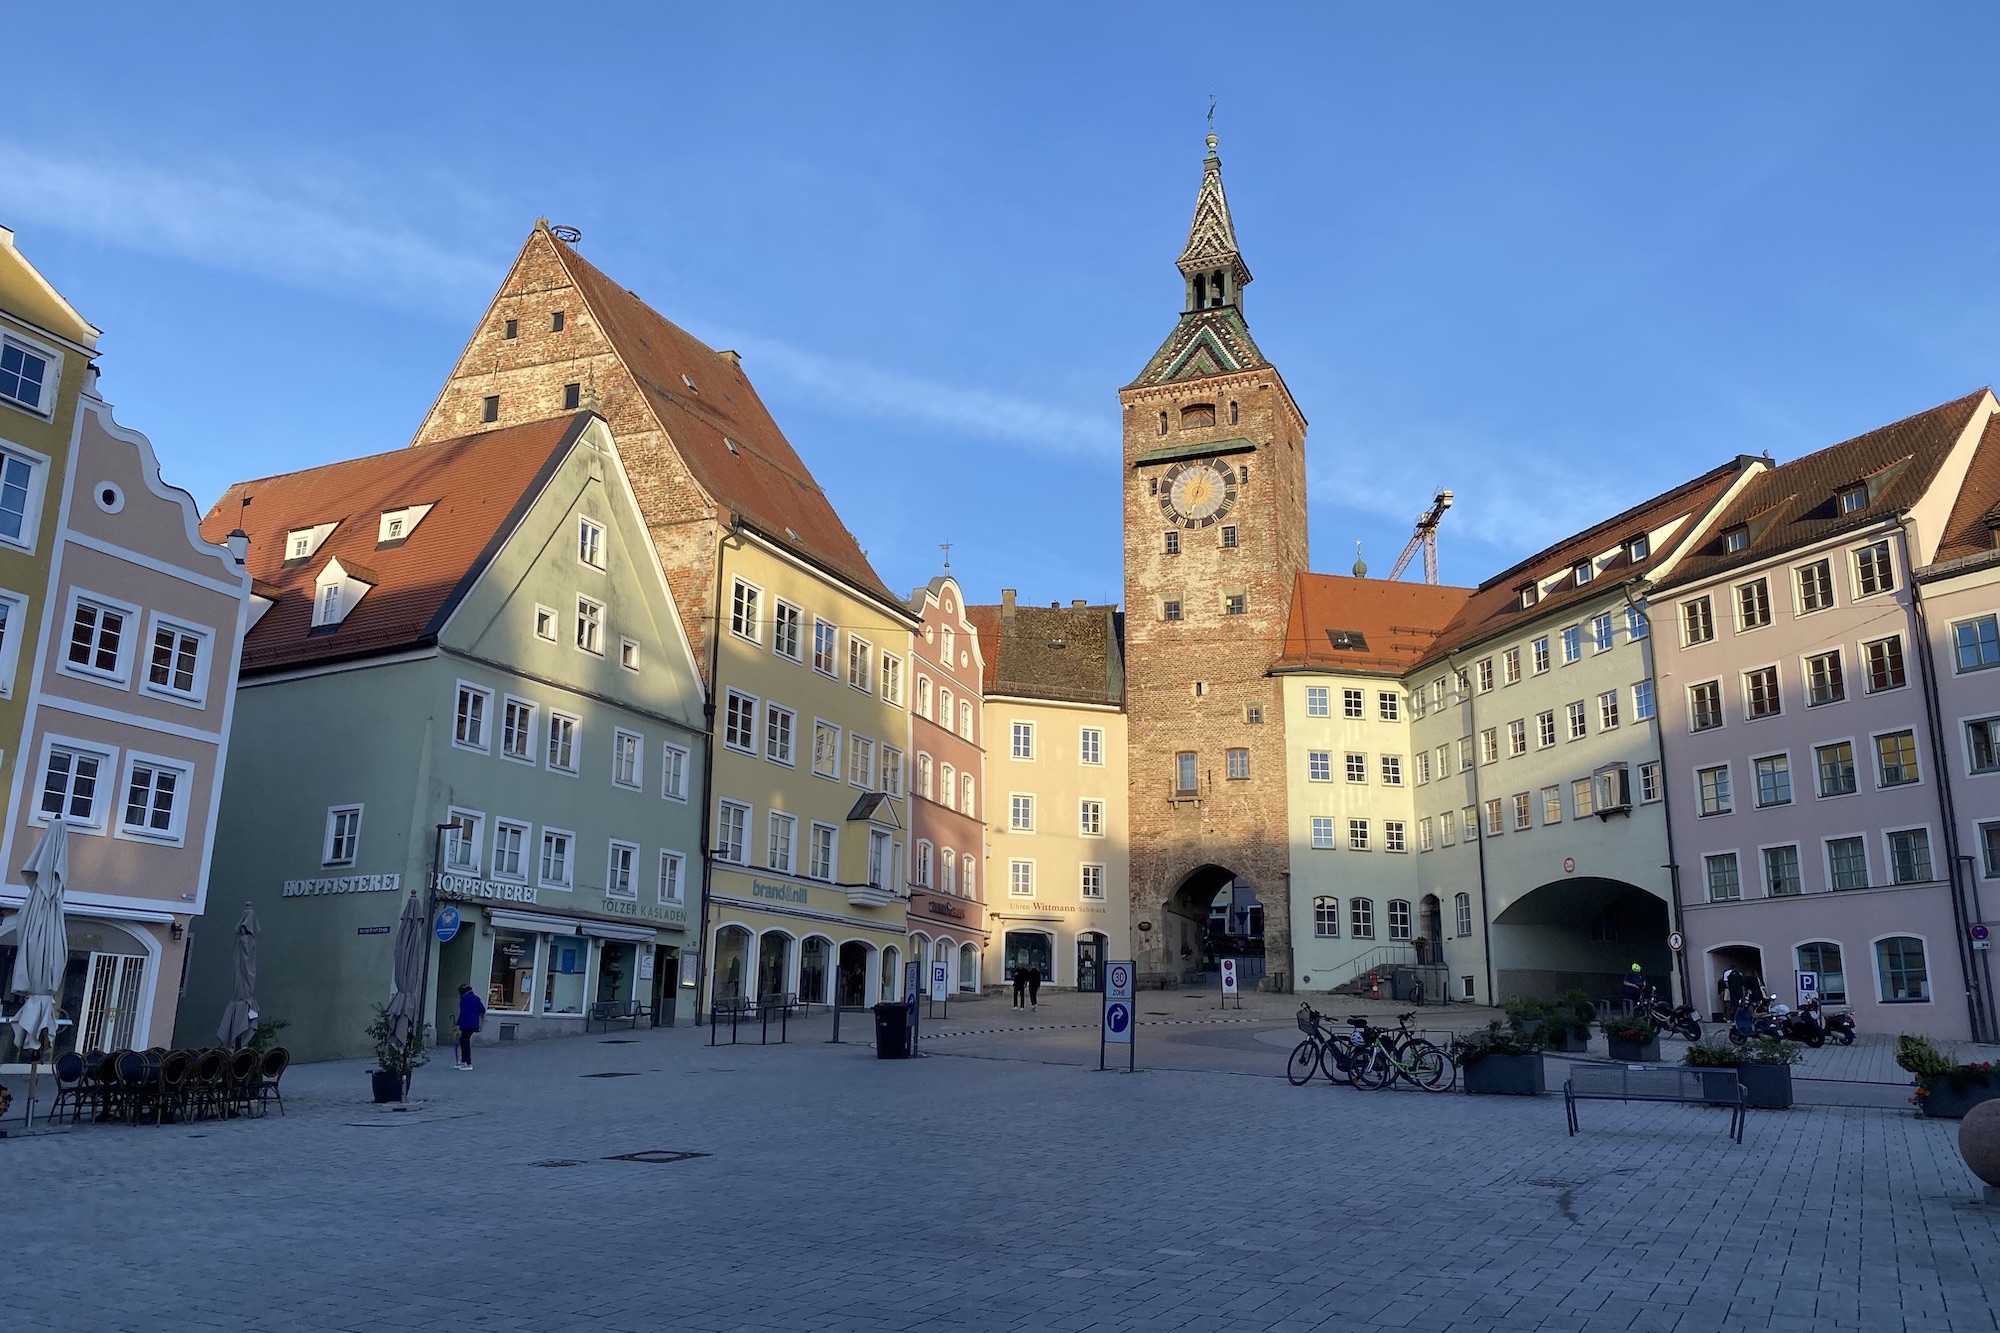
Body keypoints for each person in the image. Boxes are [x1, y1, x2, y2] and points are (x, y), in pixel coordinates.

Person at [455, 983, 486, 1070]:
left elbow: (463, 1013)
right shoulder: (476, 998)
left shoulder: (464, 999)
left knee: (464, 1042)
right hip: (474, 1024)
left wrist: (457, 1024)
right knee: (464, 1041)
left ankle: (468, 1063)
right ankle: (464, 1061)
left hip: (466, 1024)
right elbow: (482, 1010)